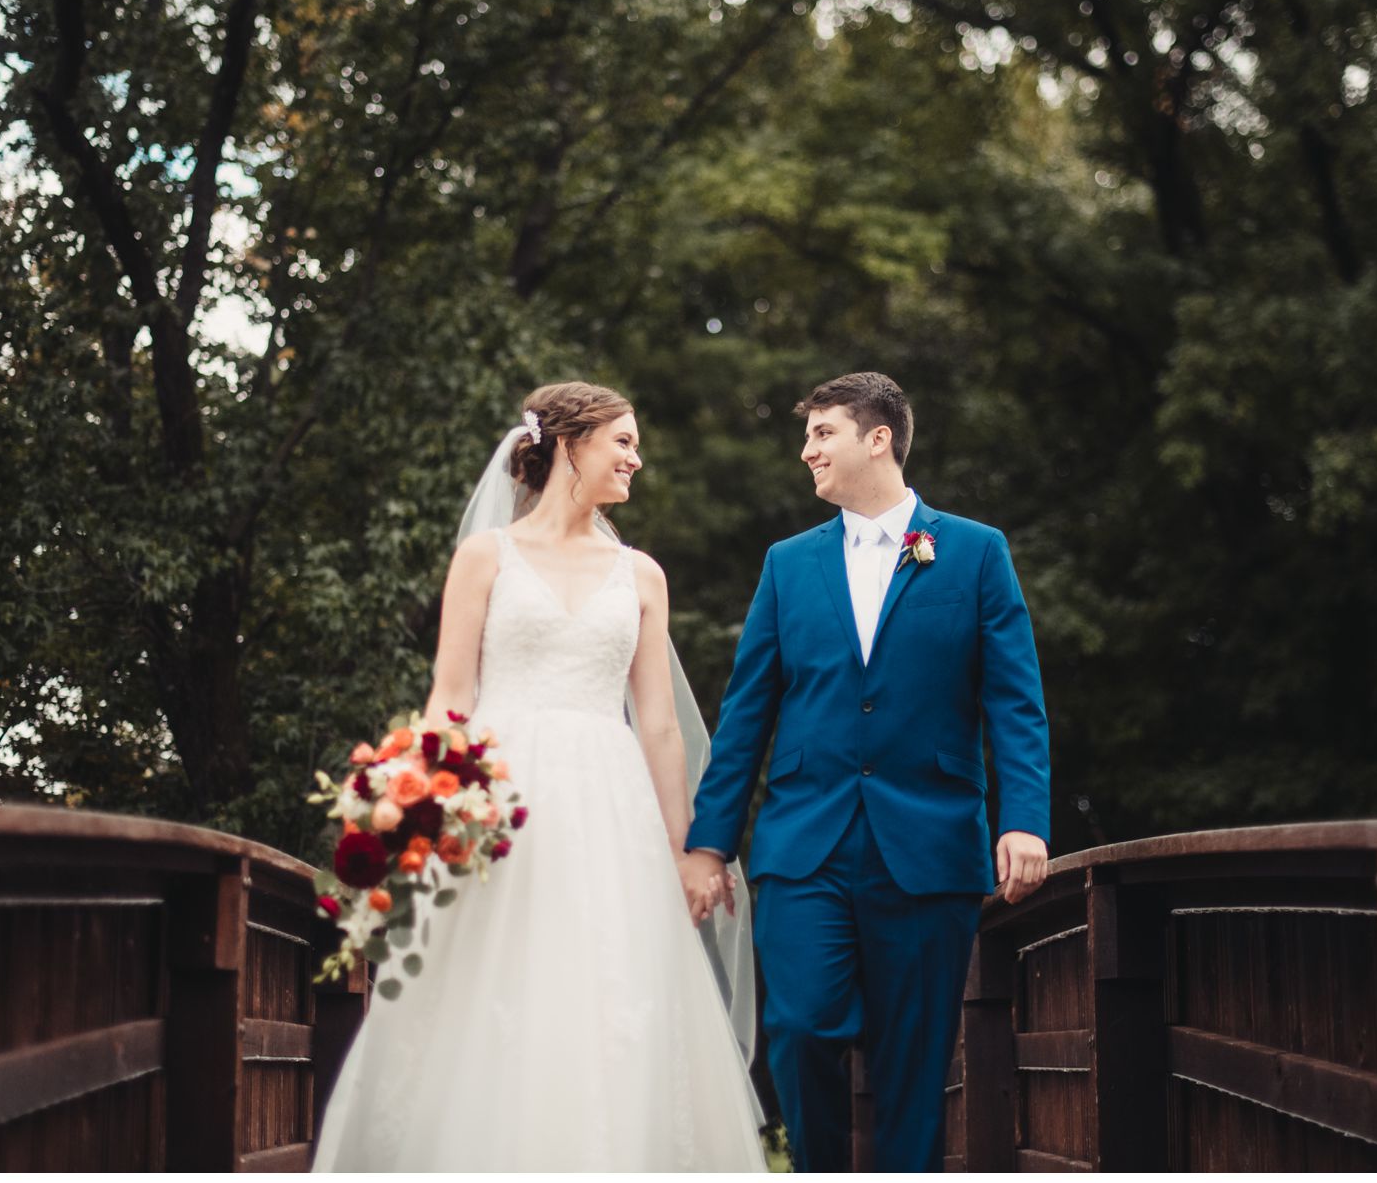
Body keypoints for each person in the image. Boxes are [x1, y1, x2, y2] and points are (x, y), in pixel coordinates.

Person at [313, 381, 766, 1172]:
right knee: (493, 994)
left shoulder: (642, 575)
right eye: (623, 440)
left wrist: (687, 849)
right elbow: (449, 697)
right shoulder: (485, 557)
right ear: (569, 444)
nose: (637, 457)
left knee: (608, 995)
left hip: (610, 808)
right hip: (499, 807)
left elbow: (658, 724)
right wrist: (411, 813)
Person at [682, 370, 1053, 1172]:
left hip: (929, 850)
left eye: (822, 433)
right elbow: (746, 714)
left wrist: (1022, 818)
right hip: (803, 847)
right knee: (802, 1031)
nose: (806, 450)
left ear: (878, 438)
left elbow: (1014, 701)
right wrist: (709, 844)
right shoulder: (787, 565)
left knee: (913, 1068)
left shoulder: (976, 553)